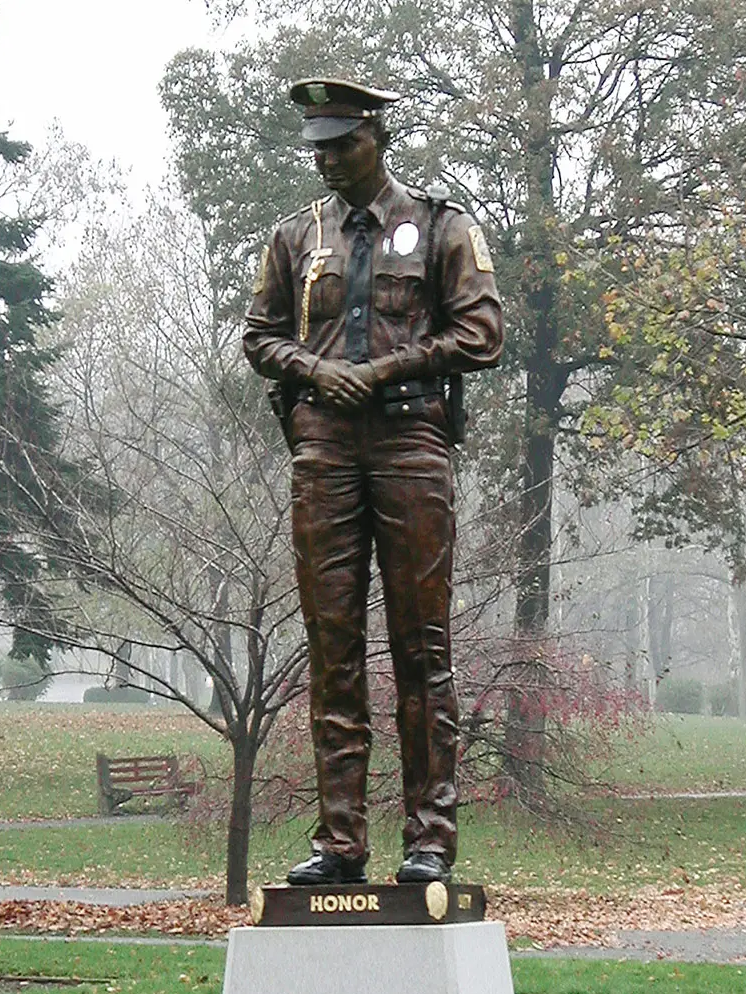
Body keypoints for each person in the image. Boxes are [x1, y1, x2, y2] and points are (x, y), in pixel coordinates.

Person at [244, 77, 504, 885]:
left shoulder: (438, 226)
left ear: (377, 137)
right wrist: (315, 370)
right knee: (333, 649)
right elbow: (257, 336)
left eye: (341, 143)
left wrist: (388, 366)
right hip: (322, 449)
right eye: (317, 147)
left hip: (411, 445)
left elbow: (483, 331)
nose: (327, 159)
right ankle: (339, 841)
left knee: (424, 647)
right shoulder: (295, 238)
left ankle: (429, 839)